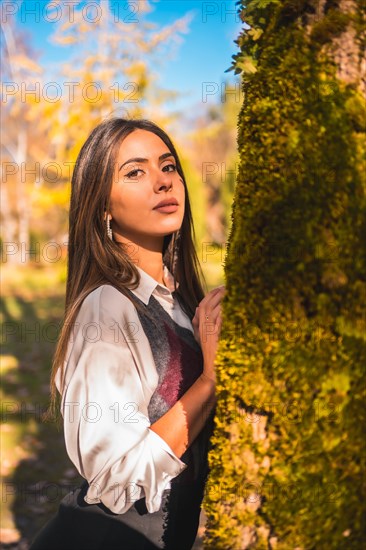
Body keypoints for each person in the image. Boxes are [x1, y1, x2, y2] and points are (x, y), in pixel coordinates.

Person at [29, 118, 225, 550]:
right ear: (103, 207)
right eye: (134, 172)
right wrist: (209, 382)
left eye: (168, 166)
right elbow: (118, 478)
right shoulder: (107, 305)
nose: (161, 182)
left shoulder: (180, 302)